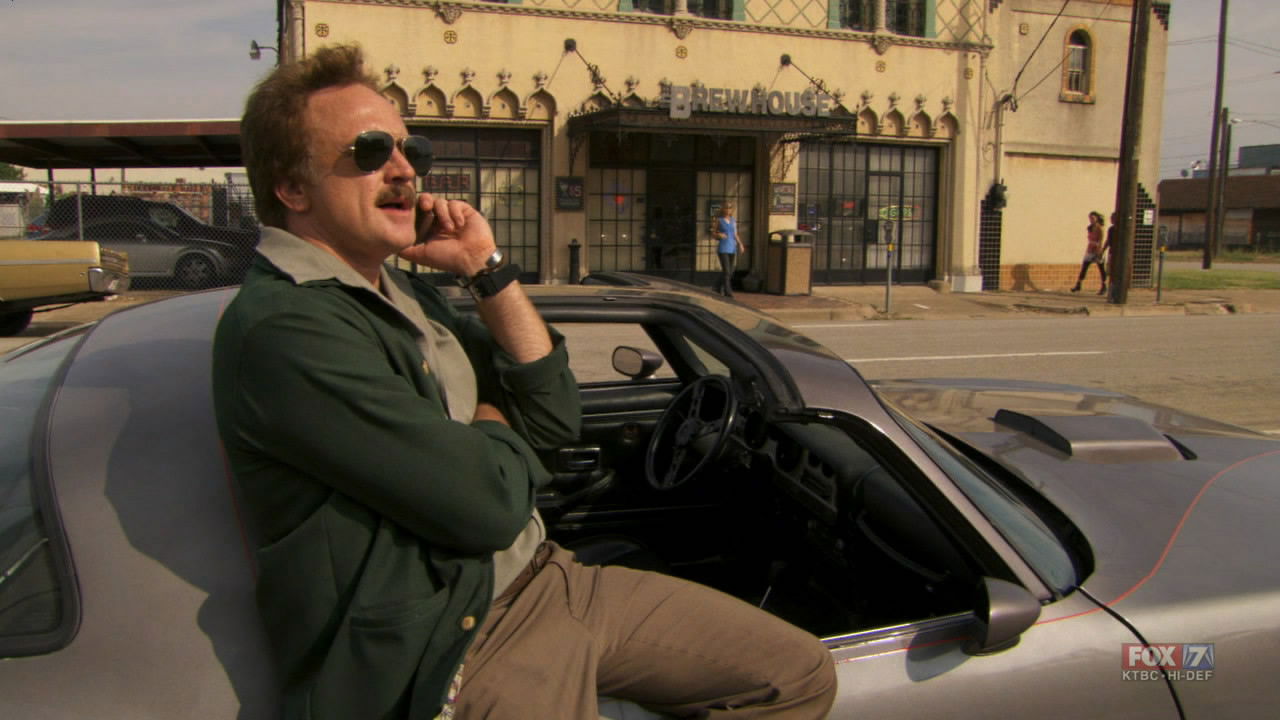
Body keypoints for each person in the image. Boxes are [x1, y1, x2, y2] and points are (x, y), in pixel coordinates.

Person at [212, 44, 836, 720]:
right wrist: (492, 414)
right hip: (455, 648)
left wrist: (484, 266)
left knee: (796, 675)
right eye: (370, 152)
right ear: (293, 189)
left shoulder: (404, 293)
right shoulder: (288, 327)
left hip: (545, 579)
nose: (404, 170)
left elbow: (553, 414)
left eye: (410, 150)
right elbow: (484, 504)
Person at [711, 201, 744, 297]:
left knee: (730, 271)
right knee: (726, 271)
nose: (728, 210)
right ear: (723, 209)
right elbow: (713, 233)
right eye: (726, 208)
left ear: (731, 210)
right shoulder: (719, 220)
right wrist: (719, 234)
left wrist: (740, 244)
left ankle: (716, 286)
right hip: (723, 248)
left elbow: (735, 234)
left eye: (730, 208)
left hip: (732, 247)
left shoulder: (733, 220)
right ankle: (727, 291)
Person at [1071, 210, 1108, 294]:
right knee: (1084, 267)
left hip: (1097, 250)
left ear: (1097, 218)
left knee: (1101, 268)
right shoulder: (1090, 228)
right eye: (1090, 218)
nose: (1091, 220)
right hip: (1090, 250)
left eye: (1093, 218)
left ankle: (1104, 286)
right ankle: (1078, 284)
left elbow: (1101, 240)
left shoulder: (1100, 228)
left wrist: (1099, 251)